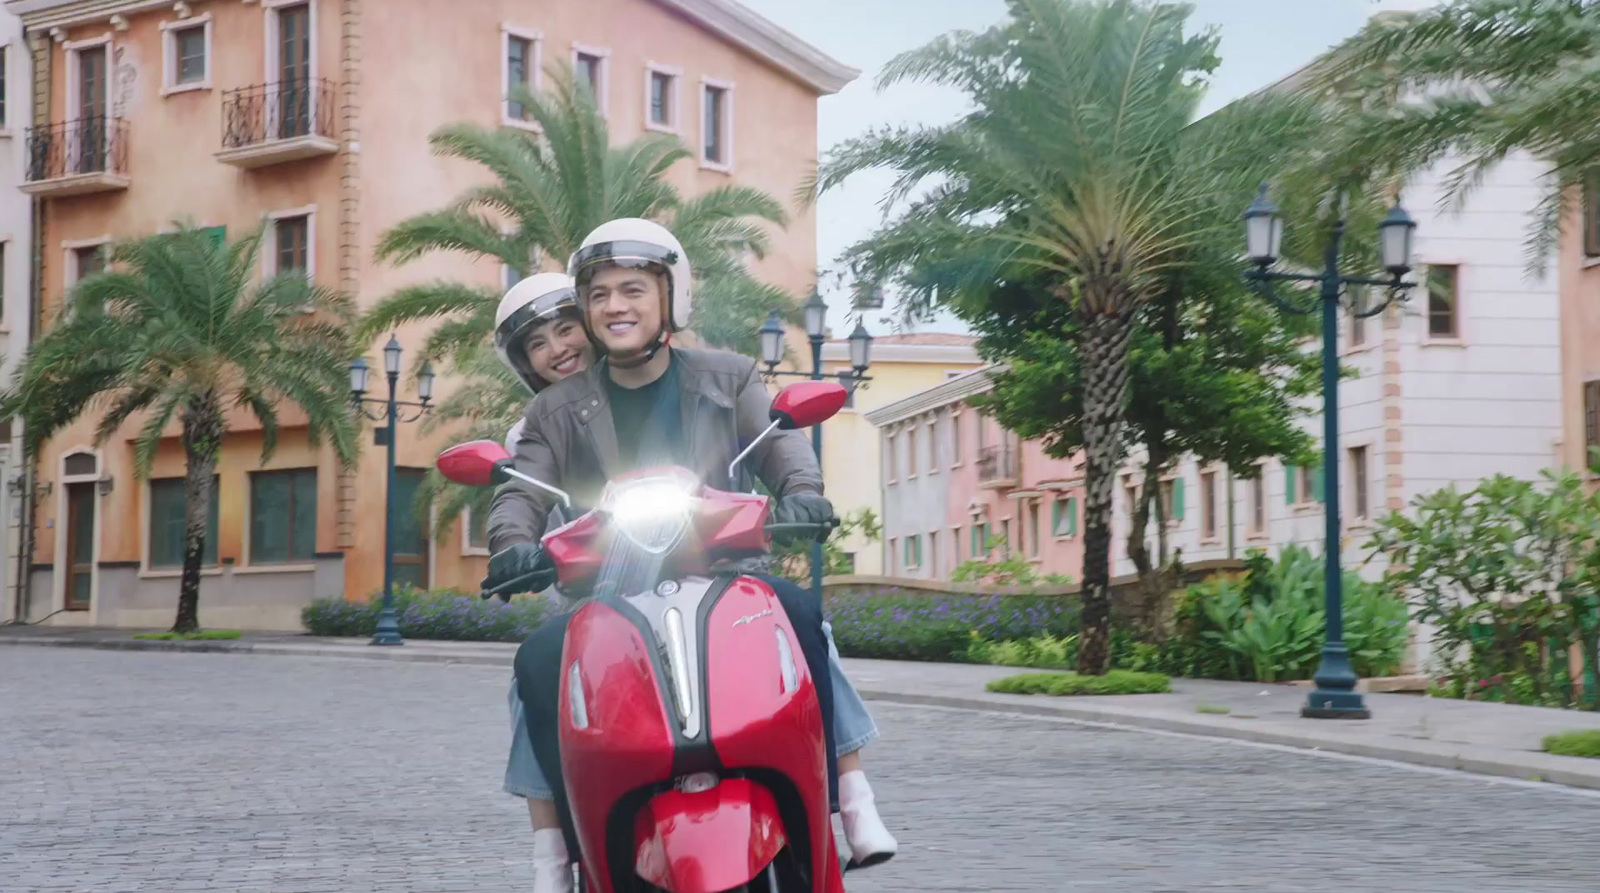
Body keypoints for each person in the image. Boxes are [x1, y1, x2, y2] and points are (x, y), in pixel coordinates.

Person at [487, 242, 895, 893]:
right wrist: (512, 539)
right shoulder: (553, 412)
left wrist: (804, 492)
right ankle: (553, 847)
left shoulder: (724, 375)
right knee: (539, 659)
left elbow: (779, 439)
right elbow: (521, 489)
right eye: (599, 296)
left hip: (724, 572)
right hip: (607, 590)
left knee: (799, 612)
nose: (611, 308)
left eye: (631, 291)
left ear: (667, 296)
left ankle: (851, 788)